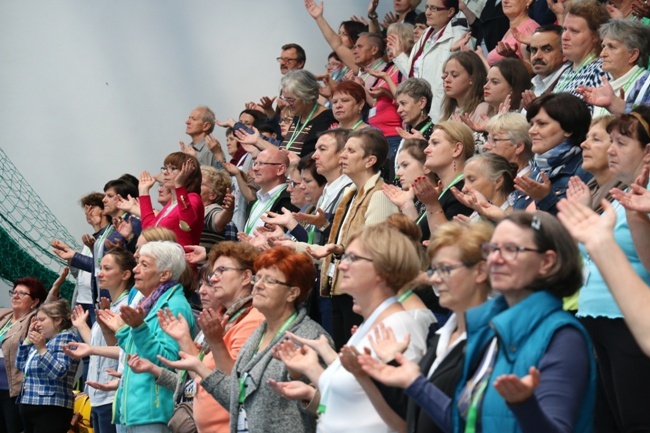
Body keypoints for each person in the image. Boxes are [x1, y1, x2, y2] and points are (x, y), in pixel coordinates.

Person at [360, 211, 596, 433]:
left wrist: (524, 404)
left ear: (547, 262)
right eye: (492, 249)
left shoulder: (563, 336)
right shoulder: (491, 330)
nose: (495, 259)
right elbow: (462, 423)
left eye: (511, 249)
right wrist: (414, 382)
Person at [275, 224, 429, 433]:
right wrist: (311, 366)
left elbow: (405, 420)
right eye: (345, 257)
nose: (341, 266)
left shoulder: (397, 328)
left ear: (383, 270)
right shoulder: (373, 323)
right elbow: (352, 397)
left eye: (353, 259)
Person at [159, 247, 331, 433]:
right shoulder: (258, 334)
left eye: (270, 280)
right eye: (259, 278)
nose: (258, 285)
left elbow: (326, 407)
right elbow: (237, 398)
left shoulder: (309, 337)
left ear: (292, 293)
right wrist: (200, 367)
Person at [129, 242, 265, 433]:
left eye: (221, 271)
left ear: (246, 277)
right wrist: (184, 338)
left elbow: (231, 386)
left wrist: (211, 342)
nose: (214, 279)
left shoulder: (252, 320)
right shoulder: (224, 318)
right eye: (212, 274)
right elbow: (200, 378)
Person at [571, 107, 650, 433]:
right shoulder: (621, 195)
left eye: (621, 143)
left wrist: (638, 218)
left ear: (648, 151)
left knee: (637, 421)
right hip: (596, 317)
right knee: (607, 422)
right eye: (611, 141)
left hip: (630, 322)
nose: (611, 150)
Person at [310, 128, 399, 349]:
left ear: (370, 160)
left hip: (361, 294)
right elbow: (336, 247)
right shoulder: (350, 193)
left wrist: (338, 250)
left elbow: (372, 250)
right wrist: (292, 246)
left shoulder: (379, 195)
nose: (342, 156)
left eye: (350, 151)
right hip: (340, 288)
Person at [97, 241, 196, 431]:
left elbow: (166, 360)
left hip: (154, 413)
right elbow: (136, 351)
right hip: (136, 412)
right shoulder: (150, 302)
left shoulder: (173, 306)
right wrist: (123, 329)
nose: (135, 270)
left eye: (144, 265)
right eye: (137, 263)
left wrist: (136, 327)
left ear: (164, 275)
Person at [71, 248, 135, 433]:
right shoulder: (110, 306)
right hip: (97, 395)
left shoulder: (127, 308)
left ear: (125, 274)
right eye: (100, 268)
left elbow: (123, 349)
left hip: (112, 395)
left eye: (107, 268)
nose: (100, 273)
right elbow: (97, 343)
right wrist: (82, 325)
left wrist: (91, 350)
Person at [391, 0, 470, 123]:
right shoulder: (428, 34)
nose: (427, 12)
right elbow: (417, 76)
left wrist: (452, 51)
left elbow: (460, 75)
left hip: (441, 109)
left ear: (450, 11)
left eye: (434, 8)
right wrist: (399, 56)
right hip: (421, 109)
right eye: (427, 7)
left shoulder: (459, 35)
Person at [515, 93, 593, 214]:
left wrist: (544, 198)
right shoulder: (535, 174)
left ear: (568, 129)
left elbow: (571, 226)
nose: (531, 131)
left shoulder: (585, 170)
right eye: (532, 124)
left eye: (541, 124)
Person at [16, 300, 81, 433]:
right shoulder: (44, 340)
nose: (37, 324)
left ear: (57, 320)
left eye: (41, 320)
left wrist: (42, 349)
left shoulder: (66, 337)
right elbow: (20, 365)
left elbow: (58, 371)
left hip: (51, 407)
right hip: (29, 402)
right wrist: (28, 340)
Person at [0, 277, 48, 433]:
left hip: (13, 388)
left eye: (22, 294)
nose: (15, 296)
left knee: (13, 429)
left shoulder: (32, 320)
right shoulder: (4, 316)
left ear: (34, 301)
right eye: (14, 292)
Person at [416, 122, 474, 235]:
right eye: (428, 144)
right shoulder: (443, 191)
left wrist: (432, 204)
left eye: (435, 143)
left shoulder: (464, 192)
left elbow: (448, 241)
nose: (426, 150)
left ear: (457, 149)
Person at [585, 19, 650, 118]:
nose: (602, 54)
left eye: (611, 47)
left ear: (633, 55)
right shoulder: (603, 88)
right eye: (603, 46)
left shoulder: (646, 86)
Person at [139, 152, 205, 247]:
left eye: (172, 169)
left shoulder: (193, 198)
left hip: (180, 260)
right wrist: (143, 191)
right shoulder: (170, 204)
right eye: (165, 168)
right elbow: (149, 232)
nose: (165, 172)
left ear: (188, 173)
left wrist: (179, 185)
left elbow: (187, 225)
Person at [552, 0, 609, 105]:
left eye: (574, 31)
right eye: (564, 29)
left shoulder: (601, 71)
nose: (564, 37)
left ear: (596, 36)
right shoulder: (566, 73)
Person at [483, 112, 535, 209]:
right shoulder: (498, 179)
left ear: (519, 146)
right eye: (487, 138)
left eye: (495, 139)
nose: (486, 146)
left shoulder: (530, 186)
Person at [241, 148, 297, 237]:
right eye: (255, 163)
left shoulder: (289, 201)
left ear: (280, 169)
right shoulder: (255, 201)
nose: (255, 168)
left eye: (261, 164)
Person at [279, 70, 336, 156]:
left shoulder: (327, 119)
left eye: (291, 100)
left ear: (307, 96)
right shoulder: (298, 116)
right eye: (285, 99)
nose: (286, 104)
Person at [452, 153, 518, 223]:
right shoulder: (477, 215)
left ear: (498, 181)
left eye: (471, 180)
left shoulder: (514, 216)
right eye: (464, 181)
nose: (463, 189)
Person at [440, 51, 490, 124]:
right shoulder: (450, 109)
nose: (447, 80)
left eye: (454, 75)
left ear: (472, 79)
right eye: (446, 75)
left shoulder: (482, 110)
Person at [485, 0, 539, 65]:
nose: (505, 1)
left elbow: (534, 70)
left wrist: (512, 57)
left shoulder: (530, 28)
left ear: (528, 1)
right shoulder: (510, 30)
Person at [526, 25, 570, 99]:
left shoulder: (569, 85)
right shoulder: (535, 83)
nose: (537, 56)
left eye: (547, 49)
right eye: (534, 50)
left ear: (564, 54)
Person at [199, 166, 236, 251]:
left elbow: (218, 221)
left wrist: (228, 210)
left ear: (212, 195)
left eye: (200, 184)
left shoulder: (210, 208)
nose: (194, 185)